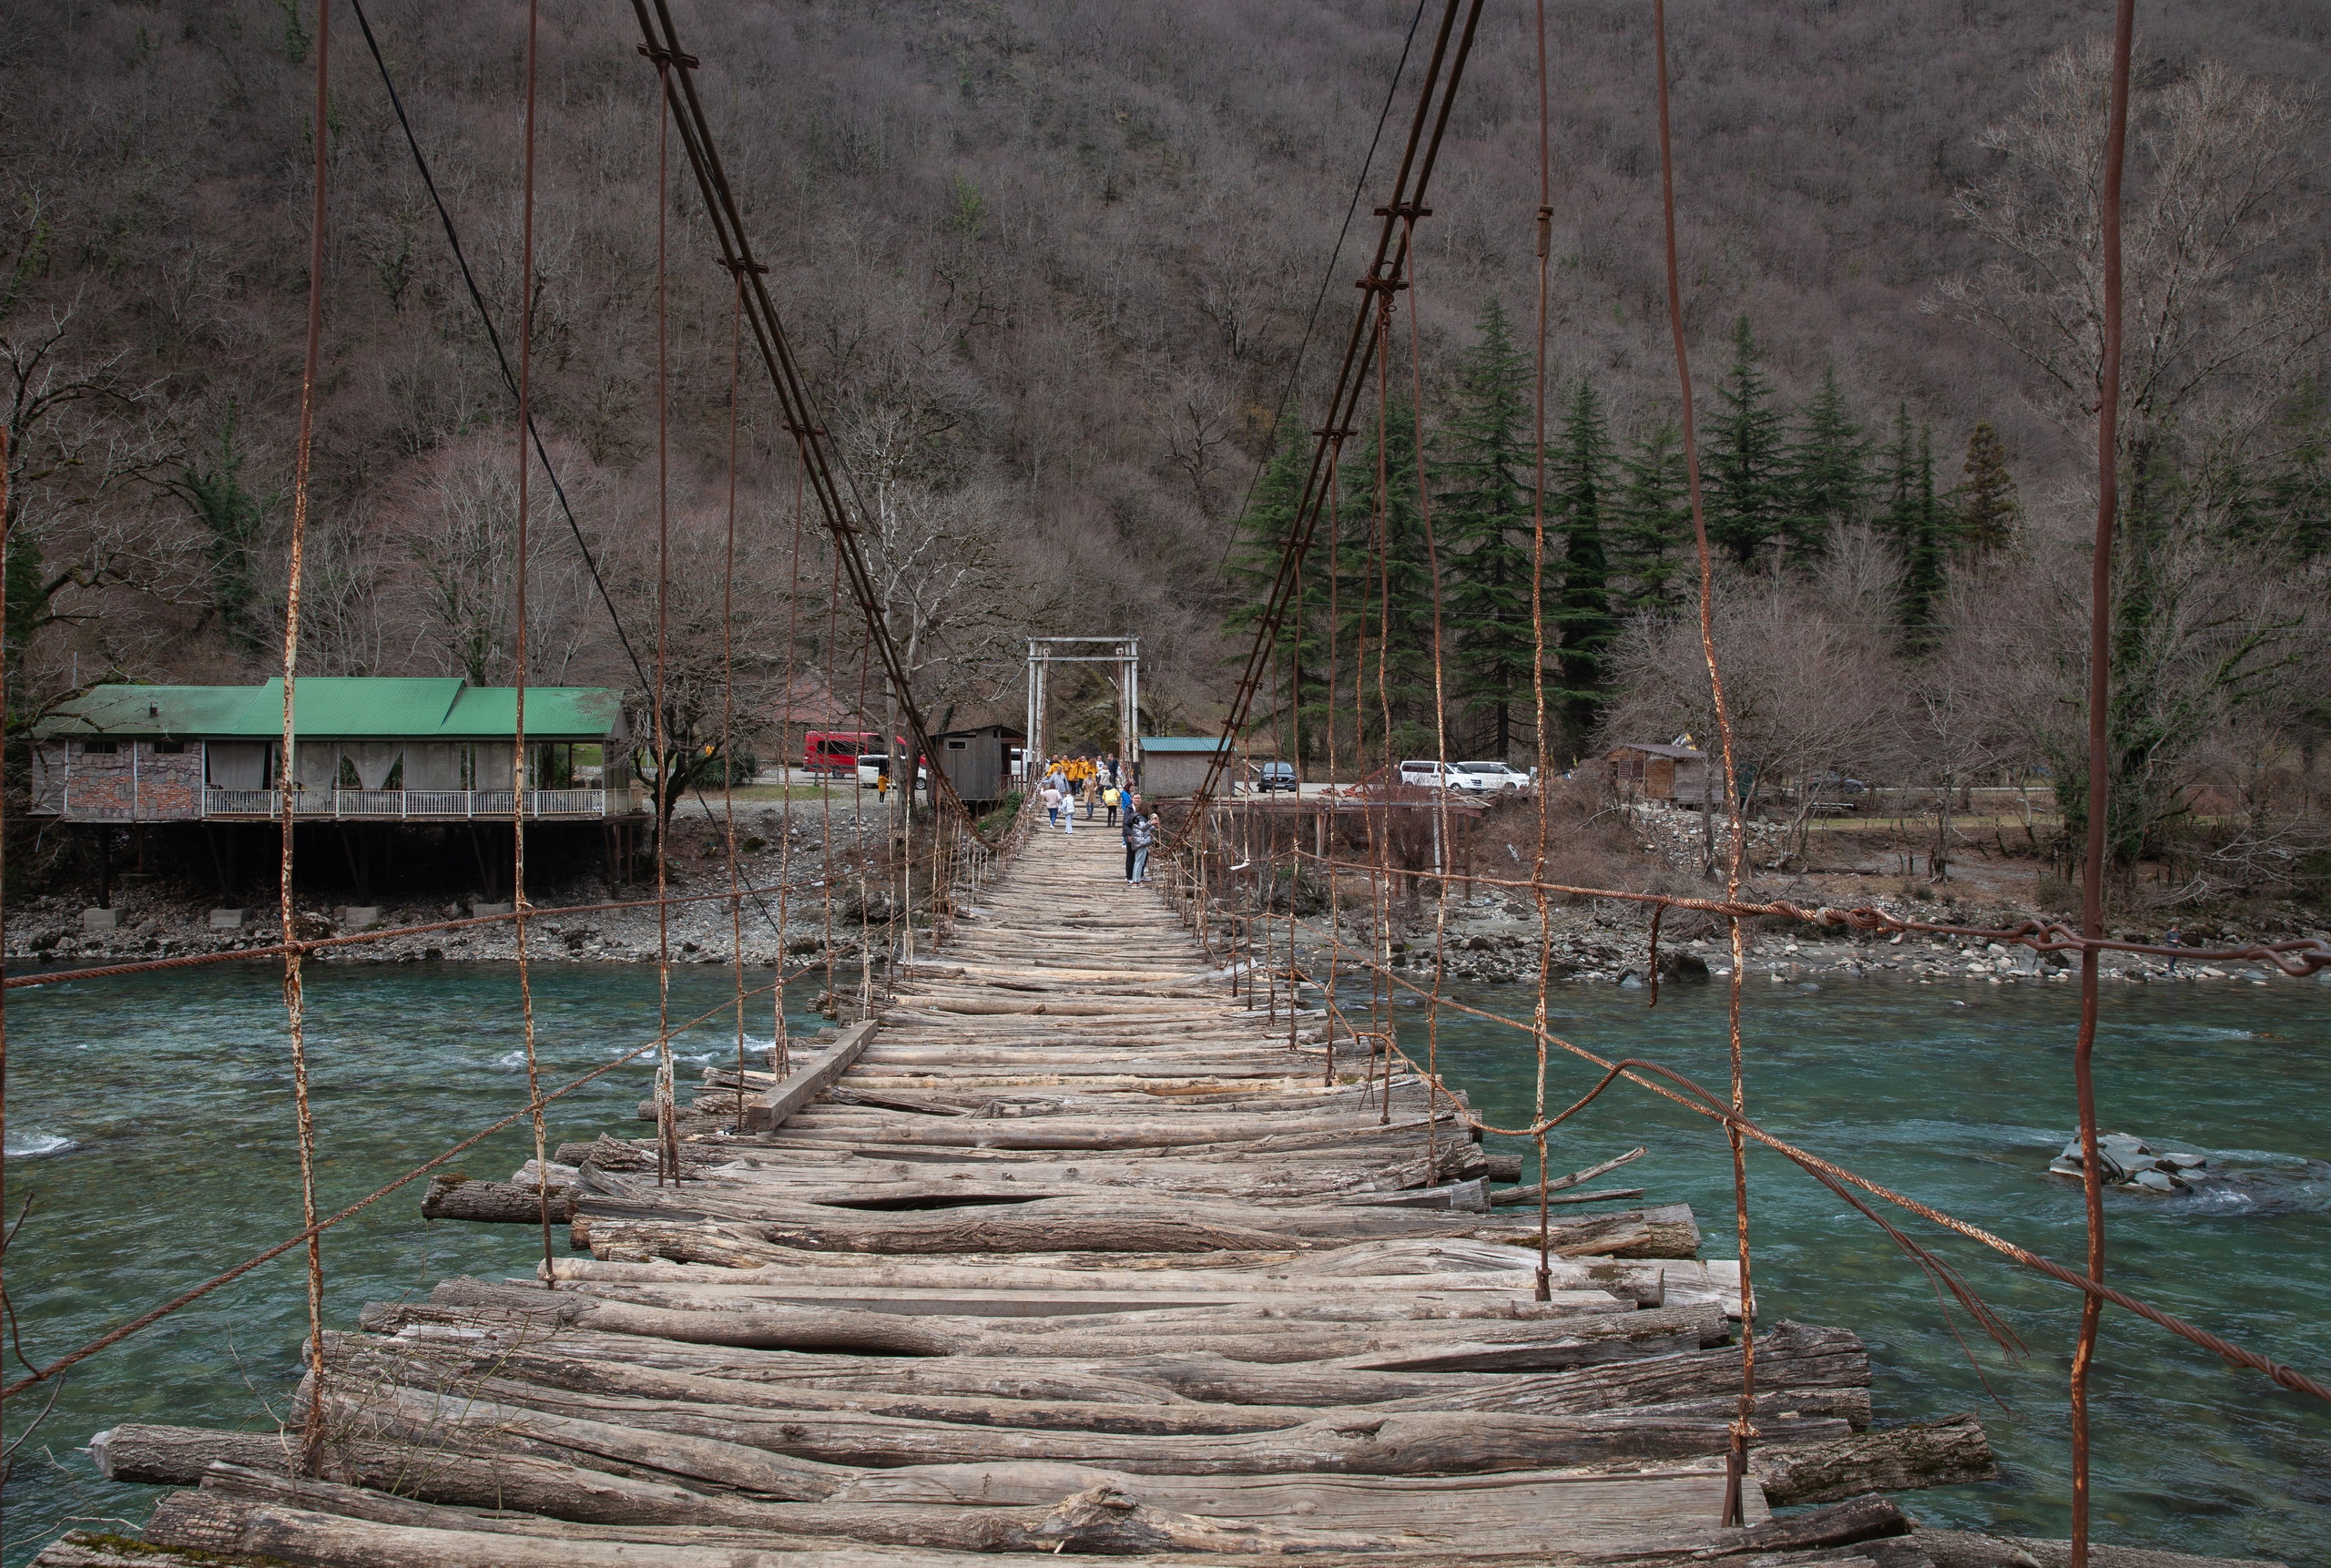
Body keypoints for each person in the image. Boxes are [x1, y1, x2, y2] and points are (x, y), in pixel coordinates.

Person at [1129, 807, 1155, 885]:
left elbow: (1143, 829)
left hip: (1139, 841)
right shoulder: (1141, 818)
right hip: (1141, 842)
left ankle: (1135, 880)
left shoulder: (1137, 817)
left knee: (1138, 861)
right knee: (1139, 862)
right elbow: (1143, 828)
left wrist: (1154, 826)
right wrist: (1151, 823)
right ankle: (1136, 881)